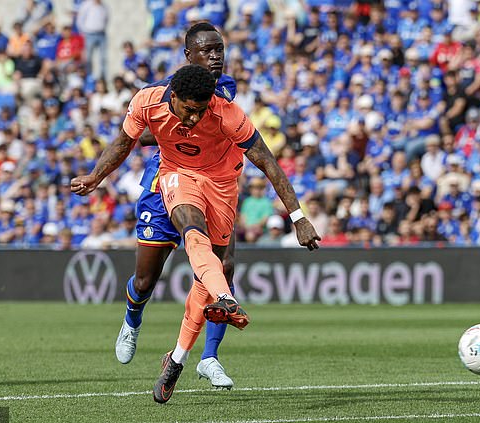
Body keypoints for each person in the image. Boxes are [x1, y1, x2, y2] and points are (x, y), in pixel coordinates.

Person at [72, 64, 320, 403]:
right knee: (187, 238)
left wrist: (298, 217)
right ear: (174, 94)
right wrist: (95, 177)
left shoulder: (227, 112)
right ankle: (221, 300)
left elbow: (268, 162)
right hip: (177, 175)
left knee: (212, 271)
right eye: (189, 110)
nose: (194, 118)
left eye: (200, 111)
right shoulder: (147, 100)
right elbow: (125, 141)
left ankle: (178, 358)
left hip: (221, 185)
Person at [112, 23, 239, 389]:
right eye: (207, 51)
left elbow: (186, 124)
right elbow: (141, 133)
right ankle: (132, 318)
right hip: (163, 182)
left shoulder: (224, 87)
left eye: (219, 50)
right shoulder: (163, 91)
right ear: (188, 55)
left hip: (210, 182)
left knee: (222, 266)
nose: (215, 58)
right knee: (145, 279)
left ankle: (209, 357)